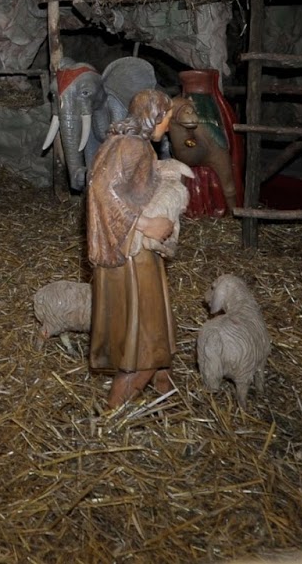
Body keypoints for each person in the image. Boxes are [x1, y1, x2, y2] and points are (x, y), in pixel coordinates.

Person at [85, 88, 193, 411]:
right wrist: (146, 224)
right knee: (145, 342)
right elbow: (101, 190)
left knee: (155, 331)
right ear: (153, 117)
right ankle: (111, 417)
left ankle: (166, 395)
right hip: (132, 254)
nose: (168, 126)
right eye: (166, 119)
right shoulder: (130, 146)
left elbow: (134, 186)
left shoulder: (134, 145)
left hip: (136, 251)